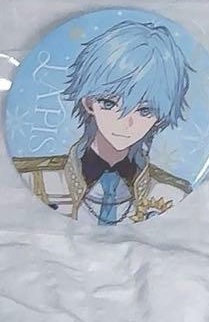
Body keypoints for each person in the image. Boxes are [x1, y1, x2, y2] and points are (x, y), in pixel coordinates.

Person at [14, 20, 193, 224]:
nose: (126, 122)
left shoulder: (173, 193)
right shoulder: (34, 178)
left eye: (145, 111)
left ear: (159, 118)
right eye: (109, 103)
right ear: (89, 103)